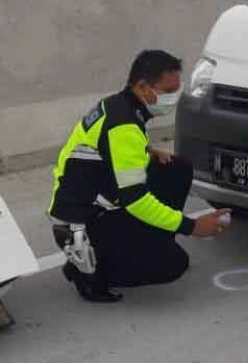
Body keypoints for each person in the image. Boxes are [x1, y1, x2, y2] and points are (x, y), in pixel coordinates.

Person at [48, 50, 231, 302]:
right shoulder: (123, 124)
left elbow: (106, 154)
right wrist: (192, 226)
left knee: (175, 169)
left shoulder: (118, 106)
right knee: (173, 266)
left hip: (93, 202)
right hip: (84, 221)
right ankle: (88, 272)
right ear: (143, 86)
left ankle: (152, 243)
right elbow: (134, 199)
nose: (173, 97)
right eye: (168, 91)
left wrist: (147, 151)